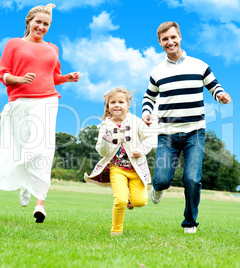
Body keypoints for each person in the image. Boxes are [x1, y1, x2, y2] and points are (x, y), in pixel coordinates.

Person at [0, 3, 80, 223]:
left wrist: (66, 78)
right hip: (20, 102)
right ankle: (24, 184)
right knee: (19, 151)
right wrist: (19, 79)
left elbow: (52, 77)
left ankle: (40, 204)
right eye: (38, 22)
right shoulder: (14, 44)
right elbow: (2, 74)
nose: (42, 26)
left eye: (46, 24)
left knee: (43, 150)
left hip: (47, 102)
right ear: (29, 22)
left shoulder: (53, 48)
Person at [142, 21, 232, 234]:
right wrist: (146, 112)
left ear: (180, 37)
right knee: (163, 179)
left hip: (195, 132)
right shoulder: (157, 72)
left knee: (192, 178)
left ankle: (190, 223)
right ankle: (157, 188)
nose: (170, 42)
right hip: (167, 134)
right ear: (160, 42)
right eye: (165, 39)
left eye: (173, 37)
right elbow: (149, 96)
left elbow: (214, 86)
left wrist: (220, 95)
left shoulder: (199, 65)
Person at [84, 87, 154, 236]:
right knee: (120, 200)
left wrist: (140, 150)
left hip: (137, 169)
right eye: (112, 102)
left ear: (128, 105)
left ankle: (131, 198)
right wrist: (105, 139)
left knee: (139, 202)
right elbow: (101, 151)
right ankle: (116, 230)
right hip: (117, 169)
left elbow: (151, 139)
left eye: (121, 102)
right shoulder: (105, 126)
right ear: (108, 105)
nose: (117, 105)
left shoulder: (136, 121)